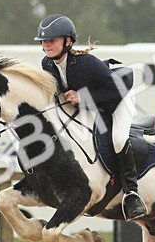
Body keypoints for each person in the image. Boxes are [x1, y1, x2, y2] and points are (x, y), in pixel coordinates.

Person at [33, 14, 146, 220]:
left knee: (119, 139)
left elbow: (115, 89)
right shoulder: (47, 65)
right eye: (44, 41)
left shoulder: (86, 63)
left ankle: (131, 194)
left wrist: (82, 96)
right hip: (93, 103)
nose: (46, 45)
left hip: (118, 97)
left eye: (52, 40)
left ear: (68, 42)